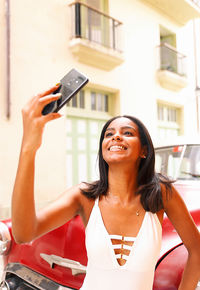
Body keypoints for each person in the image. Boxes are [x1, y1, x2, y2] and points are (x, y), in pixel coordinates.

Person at [12, 85, 200, 290]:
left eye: (127, 132)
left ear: (144, 150)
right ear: (103, 149)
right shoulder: (83, 196)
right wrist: (29, 148)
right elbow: (24, 233)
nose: (116, 137)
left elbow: (197, 250)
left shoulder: (162, 193)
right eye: (109, 134)